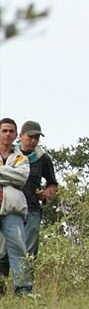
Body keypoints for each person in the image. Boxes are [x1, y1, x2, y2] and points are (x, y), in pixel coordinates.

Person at [16, 121, 58, 262]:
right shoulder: (9, 154)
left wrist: (46, 194)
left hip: (32, 209)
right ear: (21, 136)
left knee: (28, 254)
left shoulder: (42, 158)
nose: (33, 140)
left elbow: (52, 183)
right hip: (10, 208)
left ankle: (25, 284)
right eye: (30, 137)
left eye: (37, 138)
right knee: (3, 253)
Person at [0, 118, 33, 296]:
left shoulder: (22, 158)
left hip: (12, 209)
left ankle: (23, 290)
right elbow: (15, 177)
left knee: (19, 249)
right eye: (4, 130)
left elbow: (21, 178)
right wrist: (9, 175)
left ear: (16, 135)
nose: (8, 134)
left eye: (11, 131)